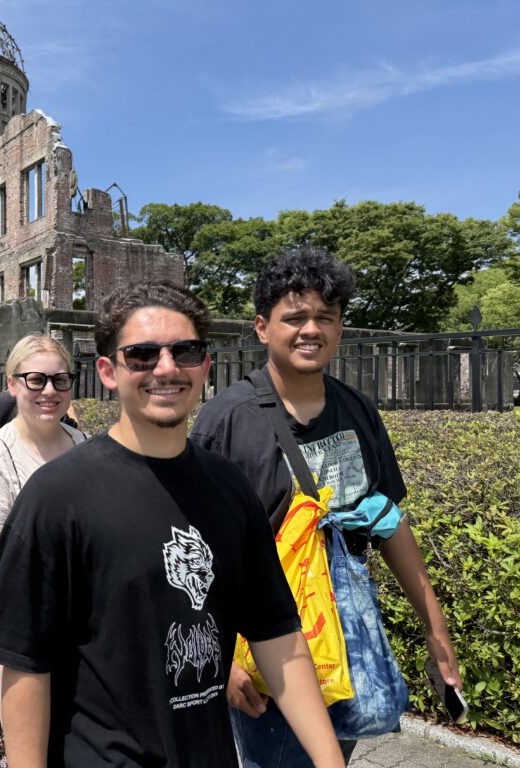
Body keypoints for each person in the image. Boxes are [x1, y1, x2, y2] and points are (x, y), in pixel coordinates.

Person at [0, 280, 345, 767]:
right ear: (108, 371)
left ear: (205, 366)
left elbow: (275, 632)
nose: (166, 368)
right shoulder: (57, 497)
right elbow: (25, 664)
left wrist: (330, 758)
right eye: (142, 355)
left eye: (184, 351)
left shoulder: (229, 488)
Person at [189, 248, 461, 767]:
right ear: (262, 328)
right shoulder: (227, 420)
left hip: (348, 637)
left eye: (325, 317)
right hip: (266, 647)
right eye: (295, 317)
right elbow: (194, 548)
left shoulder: (356, 410)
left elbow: (387, 521)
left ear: (339, 327)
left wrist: (436, 629)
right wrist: (220, 656)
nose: (311, 330)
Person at [0, 335, 86, 766]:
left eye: (60, 380)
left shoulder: (81, 443)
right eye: (36, 380)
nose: (49, 391)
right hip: (16, 634)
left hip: (77, 626)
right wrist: (4, 673)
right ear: (12, 385)